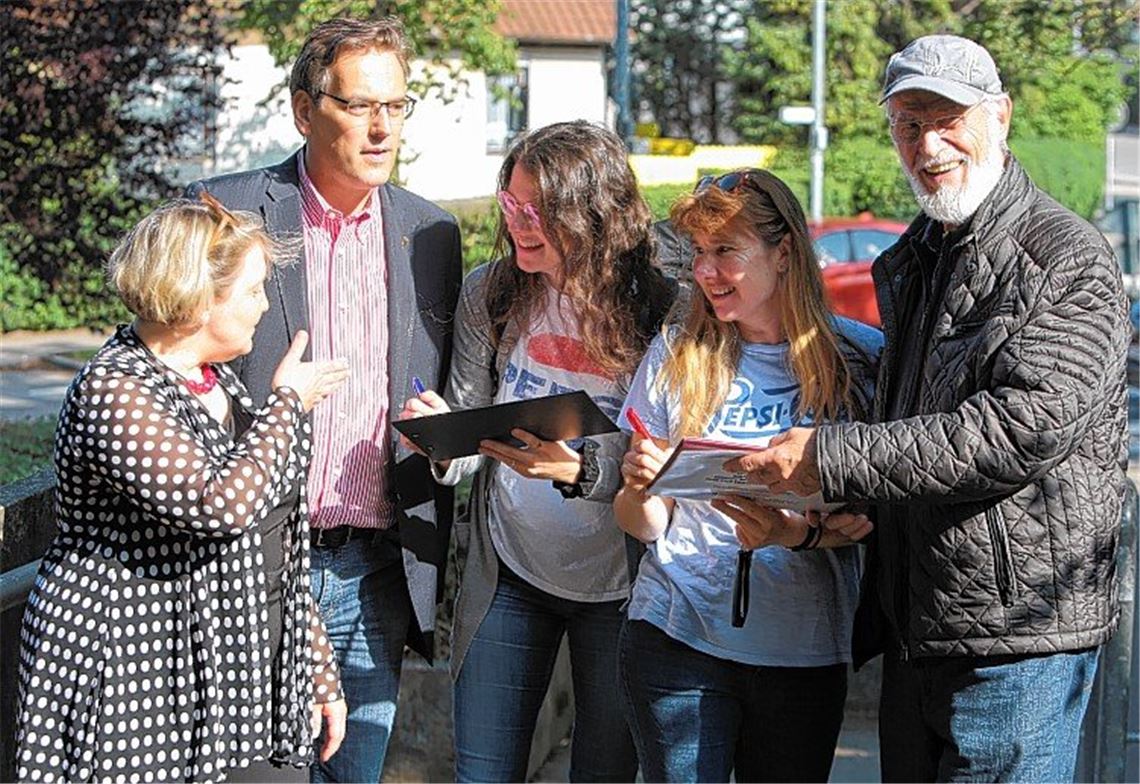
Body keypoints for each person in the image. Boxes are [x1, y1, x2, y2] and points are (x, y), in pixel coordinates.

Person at [730, 35, 1130, 783]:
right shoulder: (920, 252)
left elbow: (1020, 428)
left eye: (948, 118)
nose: (928, 144)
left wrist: (825, 456)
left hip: (1020, 641)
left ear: (1001, 117)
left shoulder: (1065, 257)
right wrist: (812, 511)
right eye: (908, 125)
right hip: (922, 628)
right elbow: (906, 424)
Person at [188, 16, 463, 782]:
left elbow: (436, 386)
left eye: (397, 107)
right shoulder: (226, 211)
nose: (381, 129)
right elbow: (171, 363)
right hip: (259, 566)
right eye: (358, 106)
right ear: (304, 110)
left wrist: (443, 448)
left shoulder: (430, 231)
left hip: (380, 569)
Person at [14, 195, 350, 782]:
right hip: (131, 677)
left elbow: (274, 540)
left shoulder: (220, 385)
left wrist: (316, 666)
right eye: (251, 290)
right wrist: (289, 404)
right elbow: (218, 506)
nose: (264, 306)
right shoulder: (114, 390)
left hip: (231, 678)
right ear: (197, 298)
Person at [399, 121, 675, 782]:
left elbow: (668, 450)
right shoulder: (490, 292)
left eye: (540, 212)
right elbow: (469, 434)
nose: (521, 224)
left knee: (603, 773)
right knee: (483, 773)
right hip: (511, 575)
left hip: (621, 585)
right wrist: (443, 438)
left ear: (593, 215)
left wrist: (581, 470)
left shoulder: (659, 302)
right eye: (511, 206)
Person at [612, 168, 880, 783]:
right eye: (700, 253)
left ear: (783, 252)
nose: (706, 272)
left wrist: (793, 534)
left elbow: (872, 521)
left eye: (726, 251)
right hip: (675, 634)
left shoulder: (859, 359)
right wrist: (641, 489)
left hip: (803, 653)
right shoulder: (678, 351)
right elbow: (640, 524)